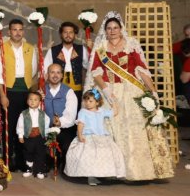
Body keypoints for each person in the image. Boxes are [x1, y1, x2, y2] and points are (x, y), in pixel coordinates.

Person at [86, 12, 174, 180]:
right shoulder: (101, 48)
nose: (112, 31)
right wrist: (105, 90)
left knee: (134, 130)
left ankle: (138, 171)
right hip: (109, 91)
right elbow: (96, 71)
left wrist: (153, 91)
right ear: (105, 30)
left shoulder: (131, 44)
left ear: (121, 29)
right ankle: (111, 172)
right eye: (109, 28)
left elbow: (141, 69)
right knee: (110, 129)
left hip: (132, 91)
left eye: (115, 28)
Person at [0, 19, 38, 171]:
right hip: (9, 91)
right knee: (9, 126)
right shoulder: (1, 48)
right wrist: (2, 94)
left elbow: (33, 70)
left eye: (20, 30)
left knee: (24, 127)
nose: (17, 32)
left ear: (23, 32)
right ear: (9, 32)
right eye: (14, 30)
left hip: (25, 91)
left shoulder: (30, 48)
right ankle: (8, 160)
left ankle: (22, 160)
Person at [65, 89, 126, 185]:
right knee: (91, 153)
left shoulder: (101, 111)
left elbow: (114, 112)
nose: (87, 103)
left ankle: (103, 173)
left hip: (101, 136)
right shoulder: (83, 112)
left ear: (97, 102)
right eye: (86, 101)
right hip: (88, 136)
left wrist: (113, 101)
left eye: (90, 101)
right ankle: (91, 176)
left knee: (108, 152)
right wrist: (80, 135)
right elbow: (80, 124)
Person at [42, 63, 78, 173]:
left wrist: (60, 122)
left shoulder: (69, 92)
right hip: (47, 128)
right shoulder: (41, 91)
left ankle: (64, 164)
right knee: (43, 146)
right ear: (47, 75)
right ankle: (48, 162)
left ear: (62, 75)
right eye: (52, 72)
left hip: (64, 128)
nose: (55, 75)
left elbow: (71, 114)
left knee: (66, 145)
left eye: (58, 72)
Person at [43, 22, 90, 93]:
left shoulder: (81, 49)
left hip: (77, 88)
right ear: (61, 34)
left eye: (71, 32)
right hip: (57, 88)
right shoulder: (53, 50)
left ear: (75, 34)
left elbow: (89, 66)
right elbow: (45, 69)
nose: (68, 35)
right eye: (65, 32)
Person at [16, 91, 49, 179]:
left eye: (35, 100)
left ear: (39, 102)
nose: (33, 101)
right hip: (29, 136)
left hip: (40, 136)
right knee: (28, 152)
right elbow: (20, 125)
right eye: (30, 99)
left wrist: (46, 134)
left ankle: (39, 170)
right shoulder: (24, 114)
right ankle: (29, 169)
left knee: (40, 153)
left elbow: (46, 124)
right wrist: (20, 135)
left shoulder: (43, 114)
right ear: (27, 101)